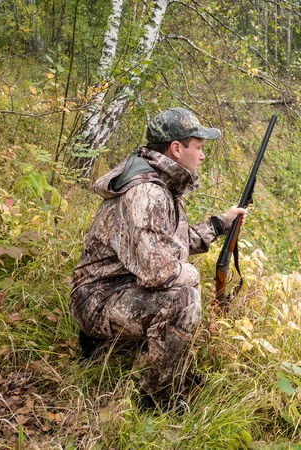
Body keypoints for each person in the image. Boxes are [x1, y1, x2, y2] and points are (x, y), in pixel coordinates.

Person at [69, 107, 246, 410]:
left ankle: (99, 345)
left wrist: (219, 224)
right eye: (199, 147)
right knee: (184, 299)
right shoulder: (148, 193)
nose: (202, 156)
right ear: (177, 149)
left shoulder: (160, 183)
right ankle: (158, 398)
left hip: (110, 288)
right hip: (97, 299)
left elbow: (168, 242)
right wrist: (193, 277)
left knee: (182, 287)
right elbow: (159, 271)